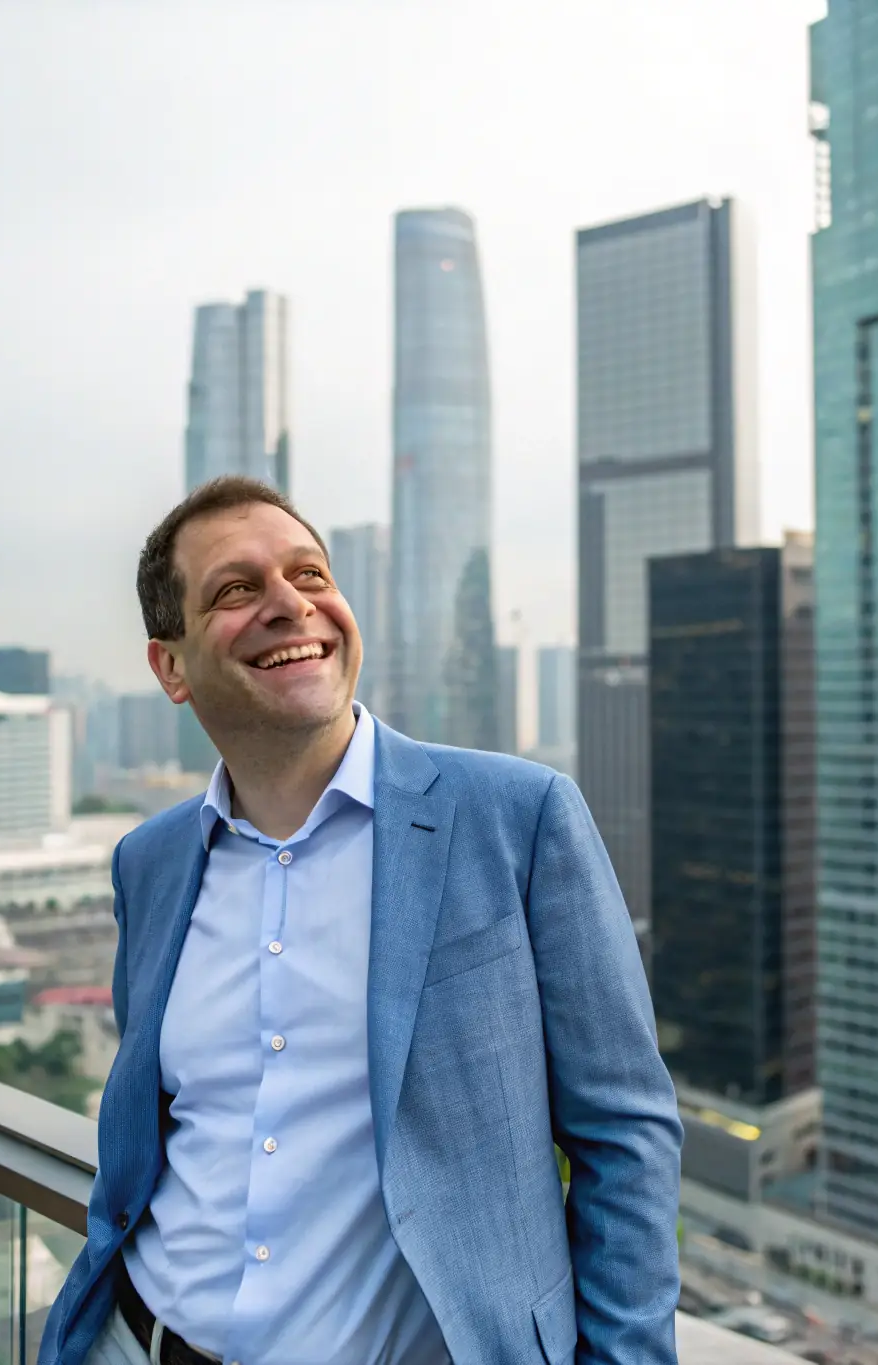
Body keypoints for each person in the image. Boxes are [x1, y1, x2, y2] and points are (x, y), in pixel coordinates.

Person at [39, 476, 682, 1365]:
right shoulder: (148, 863)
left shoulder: (518, 817)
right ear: (172, 667)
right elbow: (163, 1120)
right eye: (236, 589)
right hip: (135, 1340)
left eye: (310, 575)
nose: (289, 605)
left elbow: (626, 1128)